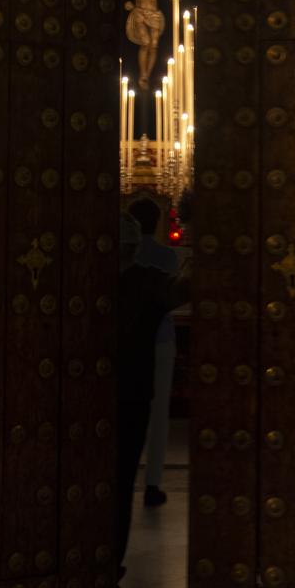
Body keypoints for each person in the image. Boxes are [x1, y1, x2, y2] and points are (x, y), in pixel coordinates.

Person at [114, 211, 189, 588]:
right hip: (131, 394)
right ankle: (108, 571)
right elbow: (183, 290)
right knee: (120, 486)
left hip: (100, 399)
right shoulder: (146, 281)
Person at [127, 197, 179, 507]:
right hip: (160, 339)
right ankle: (152, 483)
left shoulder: (123, 254)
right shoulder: (168, 257)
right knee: (159, 413)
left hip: (127, 340)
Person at [121, 0, 195, 88]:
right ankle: (142, 74)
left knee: (154, 46)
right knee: (145, 42)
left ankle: (147, 75)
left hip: (154, 13)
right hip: (139, 12)